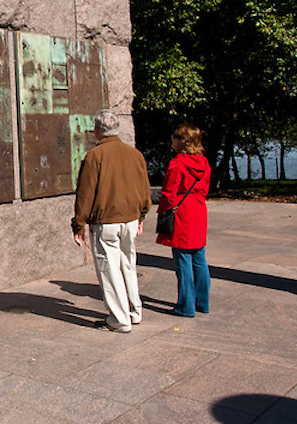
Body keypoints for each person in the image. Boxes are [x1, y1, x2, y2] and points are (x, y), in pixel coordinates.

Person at [72, 110, 151, 333]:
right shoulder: (135, 155)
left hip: (106, 222)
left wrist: (79, 224)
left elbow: (85, 194)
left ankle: (119, 319)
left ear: (97, 130)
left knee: (109, 269)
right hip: (130, 219)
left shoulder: (94, 157)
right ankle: (135, 311)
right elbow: (145, 189)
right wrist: (141, 215)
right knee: (128, 264)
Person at [156, 123, 212, 317]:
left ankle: (185, 306)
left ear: (182, 141)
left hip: (182, 211)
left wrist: (163, 212)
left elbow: (168, 193)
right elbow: (204, 189)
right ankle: (201, 302)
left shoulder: (177, 163)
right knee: (199, 257)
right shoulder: (204, 162)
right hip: (198, 209)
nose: (172, 139)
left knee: (183, 259)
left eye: (175, 136)